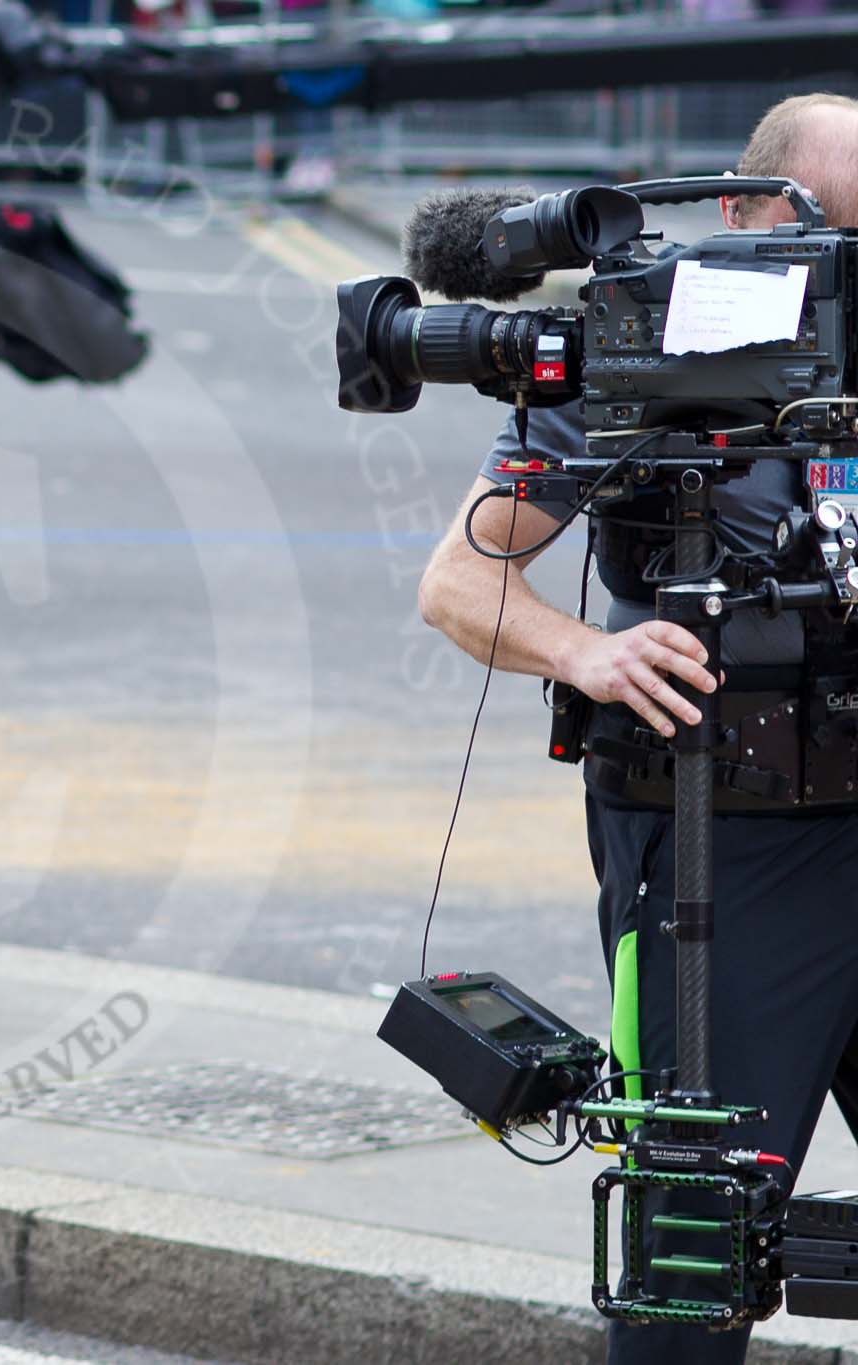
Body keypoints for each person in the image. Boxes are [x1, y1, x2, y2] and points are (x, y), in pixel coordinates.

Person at [418, 93, 858, 1365]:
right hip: (730, 854)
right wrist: (585, 652)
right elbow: (458, 583)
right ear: (737, 213)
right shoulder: (643, 359)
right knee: (694, 1242)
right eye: (826, 229)